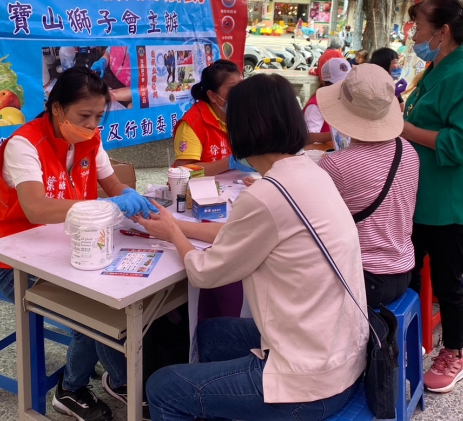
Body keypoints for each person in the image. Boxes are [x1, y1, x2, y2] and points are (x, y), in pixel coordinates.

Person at [136, 74, 368, 421]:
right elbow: (237, 233)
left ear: (242, 128)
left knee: (162, 387)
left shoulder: (266, 195)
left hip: (310, 384)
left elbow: (204, 273)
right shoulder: (311, 172)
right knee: (210, 335)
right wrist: (174, 226)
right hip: (341, 354)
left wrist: (174, 236)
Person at [0, 67, 158, 421]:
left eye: (99, 116)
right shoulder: (24, 145)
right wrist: (103, 206)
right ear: (57, 108)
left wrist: (129, 196)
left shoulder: (89, 140)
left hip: (74, 249)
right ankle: (72, 389)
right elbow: (36, 208)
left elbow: (112, 184)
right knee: (95, 310)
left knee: (124, 297)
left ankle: (121, 377)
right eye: (84, 115)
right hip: (19, 263)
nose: (92, 124)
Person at [401, 0, 463, 394]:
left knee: (447, 282)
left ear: (444, 32)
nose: (414, 36)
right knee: (405, 274)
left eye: (419, 28)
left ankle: (453, 353)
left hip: (450, 199)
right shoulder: (435, 69)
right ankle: (404, 342)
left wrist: (405, 130)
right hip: (419, 193)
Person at [317, 64, 419, 307]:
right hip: (404, 271)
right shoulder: (408, 150)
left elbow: (315, 220)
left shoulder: (336, 165)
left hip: (362, 278)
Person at [173, 60, 250, 174]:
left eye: (241, 87)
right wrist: (229, 163)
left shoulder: (241, 115)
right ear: (212, 96)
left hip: (234, 183)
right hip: (198, 185)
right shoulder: (192, 124)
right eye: (232, 89)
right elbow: (184, 170)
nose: (239, 94)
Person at [303, 58, 351, 145]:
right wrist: (335, 135)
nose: (345, 87)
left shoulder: (347, 100)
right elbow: (307, 138)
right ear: (324, 84)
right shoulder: (315, 105)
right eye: (339, 85)